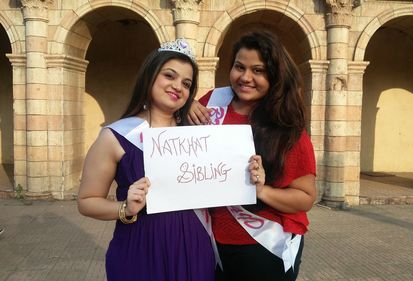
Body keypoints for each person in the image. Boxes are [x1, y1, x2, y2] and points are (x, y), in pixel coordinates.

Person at [77, 38, 216, 281]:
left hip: (195, 246)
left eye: (186, 83)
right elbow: (87, 201)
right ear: (150, 75)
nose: (177, 87)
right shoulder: (115, 136)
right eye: (169, 76)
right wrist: (124, 208)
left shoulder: (196, 134)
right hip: (140, 247)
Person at [188, 31, 317, 281]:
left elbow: (305, 198)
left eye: (258, 70)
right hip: (212, 241)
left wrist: (261, 191)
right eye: (239, 67)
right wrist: (185, 107)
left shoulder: (286, 127)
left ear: (274, 75)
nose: (245, 77)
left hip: (263, 246)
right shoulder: (212, 102)